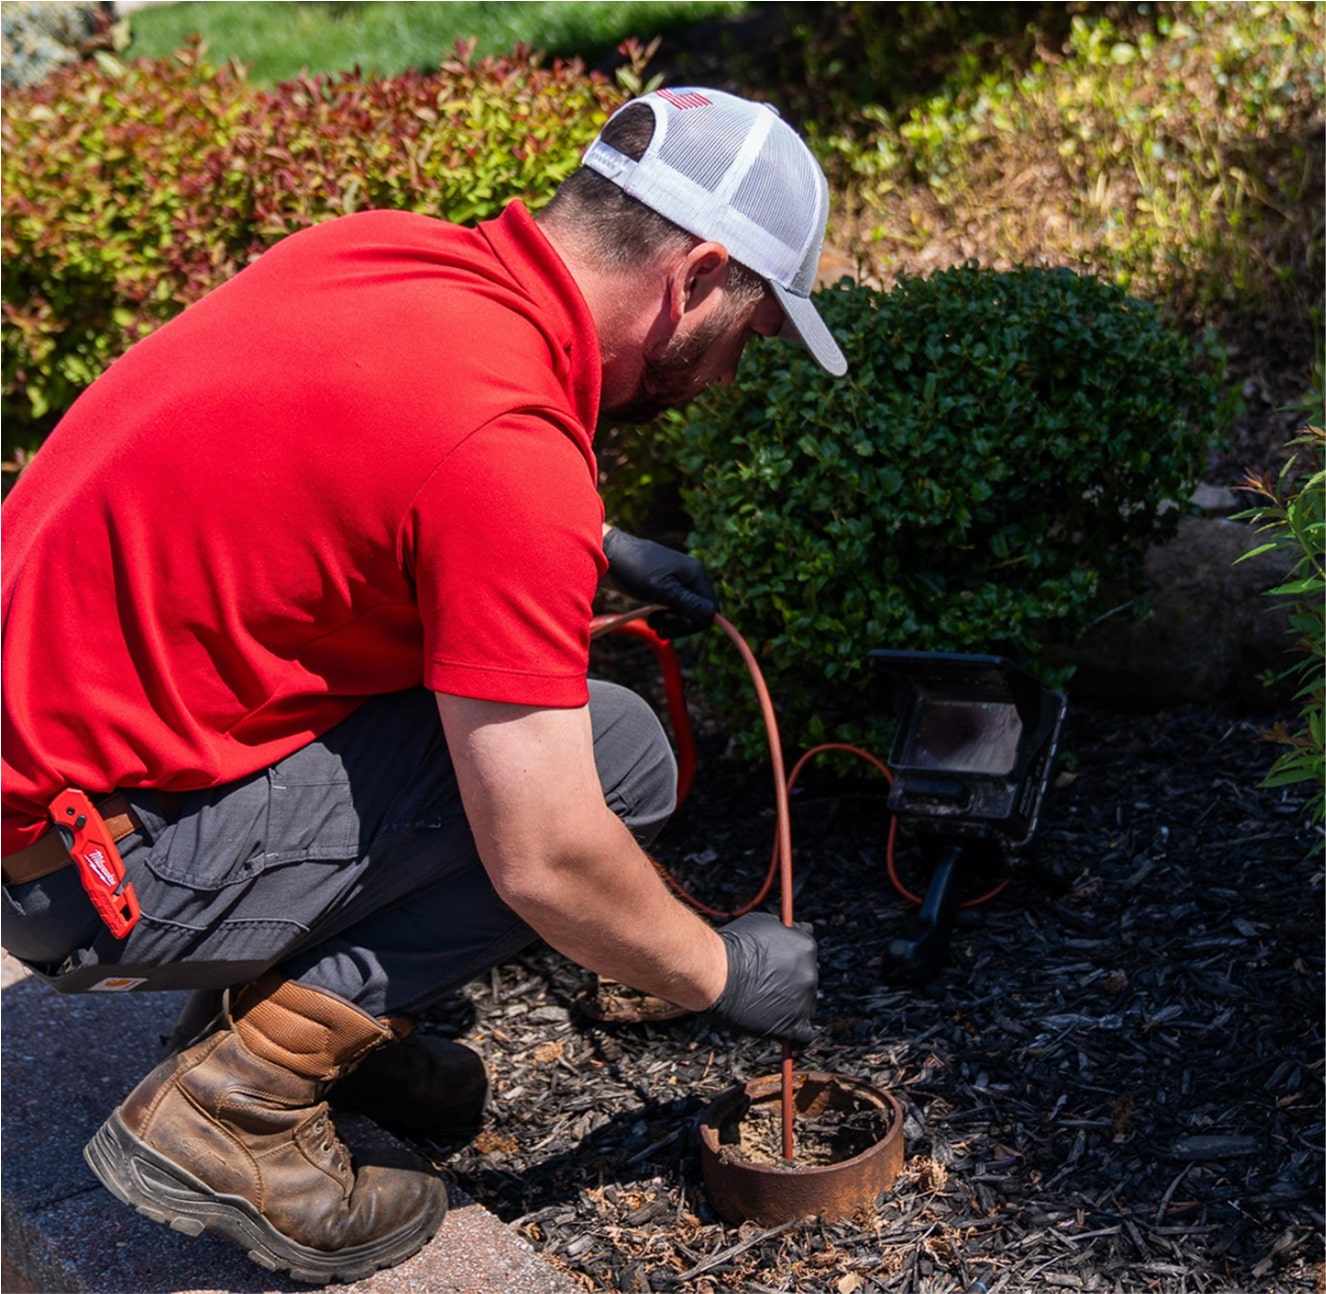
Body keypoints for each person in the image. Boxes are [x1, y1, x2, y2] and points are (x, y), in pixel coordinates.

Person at [1, 87, 846, 1283]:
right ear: (697, 275)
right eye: (751, 336)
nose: (726, 377)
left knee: (523, 722)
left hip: (46, 793)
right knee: (614, 759)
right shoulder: (508, 456)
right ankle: (240, 1102)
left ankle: (303, 1021)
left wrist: (592, 544)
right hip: (83, 874)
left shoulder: (381, 255)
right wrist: (721, 967)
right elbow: (545, 856)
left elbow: (343, 466)